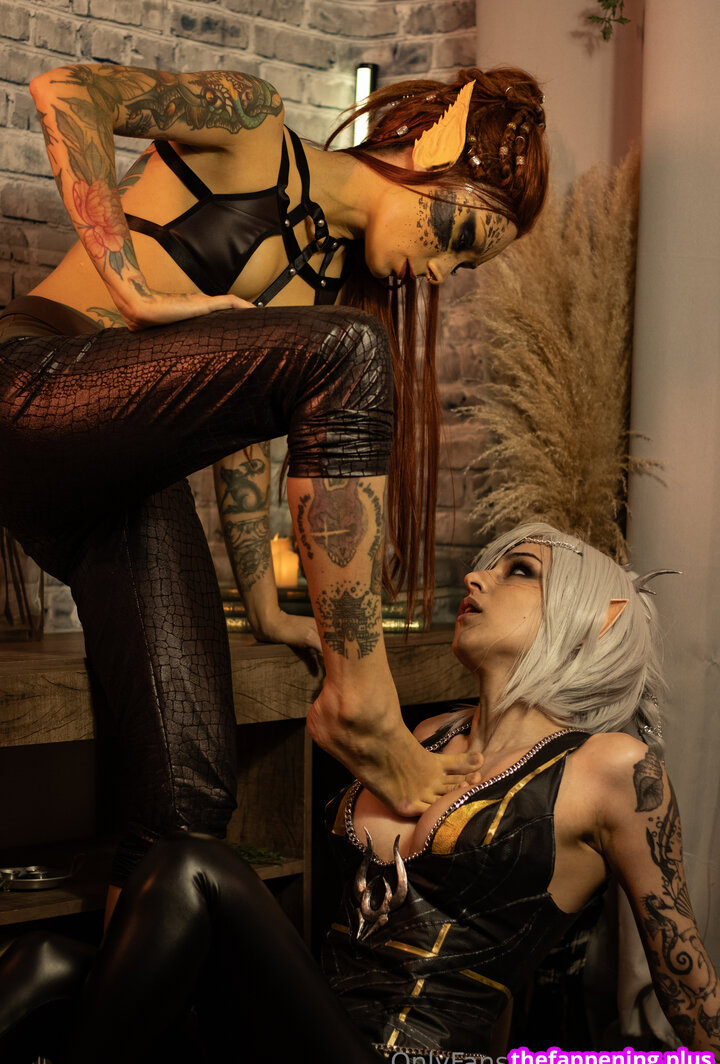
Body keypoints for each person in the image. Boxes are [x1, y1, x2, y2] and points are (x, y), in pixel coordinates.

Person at [0, 63, 548, 904]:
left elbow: (239, 448)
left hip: (114, 484)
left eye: (463, 265)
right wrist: (132, 290)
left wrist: (264, 606)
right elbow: (69, 91)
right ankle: (364, 706)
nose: (442, 270)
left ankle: (96, 982)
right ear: (431, 149)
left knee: (187, 804)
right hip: (29, 389)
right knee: (351, 348)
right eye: (460, 237)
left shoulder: (317, 279)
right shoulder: (252, 122)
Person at [0, 523, 717, 1064]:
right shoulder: (431, 735)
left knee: (193, 864)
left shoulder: (611, 767)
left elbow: (686, 986)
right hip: (311, 1043)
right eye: (490, 565)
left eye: (519, 571)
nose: (477, 576)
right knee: (45, 961)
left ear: (597, 618)